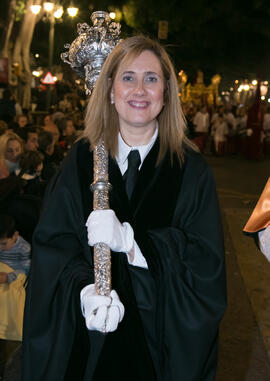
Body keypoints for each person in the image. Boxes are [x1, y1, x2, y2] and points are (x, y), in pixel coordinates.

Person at [22, 35, 227, 381]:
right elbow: (53, 247)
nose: (140, 90)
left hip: (157, 349)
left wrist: (133, 243)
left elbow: (205, 266)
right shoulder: (80, 160)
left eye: (151, 79)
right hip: (87, 347)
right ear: (110, 90)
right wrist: (84, 291)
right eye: (128, 78)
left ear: (166, 93)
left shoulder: (191, 170)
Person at [0, 214, 31, 342]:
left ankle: (6, 328)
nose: (0, 248)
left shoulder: (24, 248)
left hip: (16, 272)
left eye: (3, 244)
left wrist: (8, 277)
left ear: (15, 236)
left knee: (9, 294)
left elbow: (25, 269)